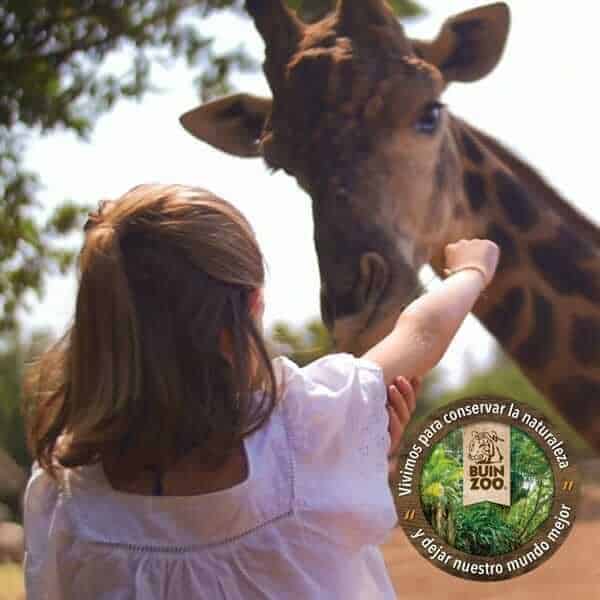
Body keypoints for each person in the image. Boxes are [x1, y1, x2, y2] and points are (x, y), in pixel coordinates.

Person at [22, 184, 499, 599]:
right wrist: (471, 271)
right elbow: (421, 334)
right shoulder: (306, 426)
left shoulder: (65, 495)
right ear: (246, 309)